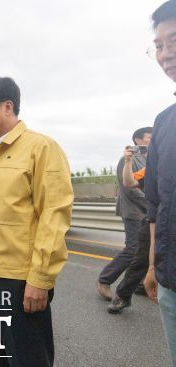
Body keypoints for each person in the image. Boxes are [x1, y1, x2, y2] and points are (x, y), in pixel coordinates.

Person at [0, 76, 73, 367]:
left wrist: (40, 279)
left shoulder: (40, 148)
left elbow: (54, 215)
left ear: (7, 106)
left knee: (27, 358)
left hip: (19, 279)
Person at [144, 2, 176, 365]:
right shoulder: (164, 122)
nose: (165, 54)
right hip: (171, 282)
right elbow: (156, 203)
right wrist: (153, 266)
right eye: (159, 45)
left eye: (174, 41)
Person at [97, 127, 152, 301]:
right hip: (134, 211)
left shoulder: (150, 159)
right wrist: (153, 202)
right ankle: (104, 279)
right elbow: (129, 189)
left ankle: (141, 284)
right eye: (149, 138)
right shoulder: (127, 159)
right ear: (138, 140)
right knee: (134, 248)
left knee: (150, 250)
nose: (153, 141)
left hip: (148, 212)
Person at [107, 143, 152, 314]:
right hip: (156, 218)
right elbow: (129, 182)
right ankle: (123, 296)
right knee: (141, 259)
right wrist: (128, 160)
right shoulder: (154, 167)